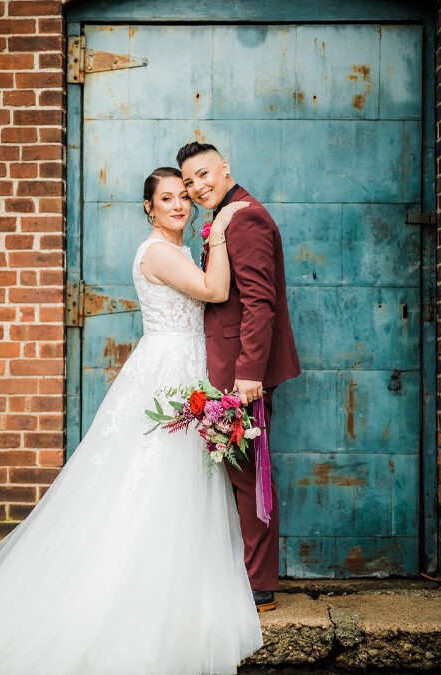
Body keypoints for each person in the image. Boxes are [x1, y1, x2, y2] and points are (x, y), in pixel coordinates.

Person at [0, 167, 263, 675]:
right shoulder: (158, 251)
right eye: (167, 198)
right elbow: (215, 289)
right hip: (166, 375)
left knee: (177, 484)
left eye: (184, 196)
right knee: (154, 480)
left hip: (184, 370)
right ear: (149, 208)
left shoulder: (175, 249)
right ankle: (130, 596)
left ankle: (173, 586)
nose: (179, 205)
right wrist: (221, 229)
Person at [178, 143, 301, 613]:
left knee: (249, 476)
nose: (198, 186)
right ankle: (251, 577)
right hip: (229, 368)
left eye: (204, 174)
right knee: (242, 472)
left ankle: (259, 586)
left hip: (241, 374)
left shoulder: (244, 217)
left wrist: (249, 374)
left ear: (225, 167)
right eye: (190, 182)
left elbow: (259, 303)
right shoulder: (228, 215)